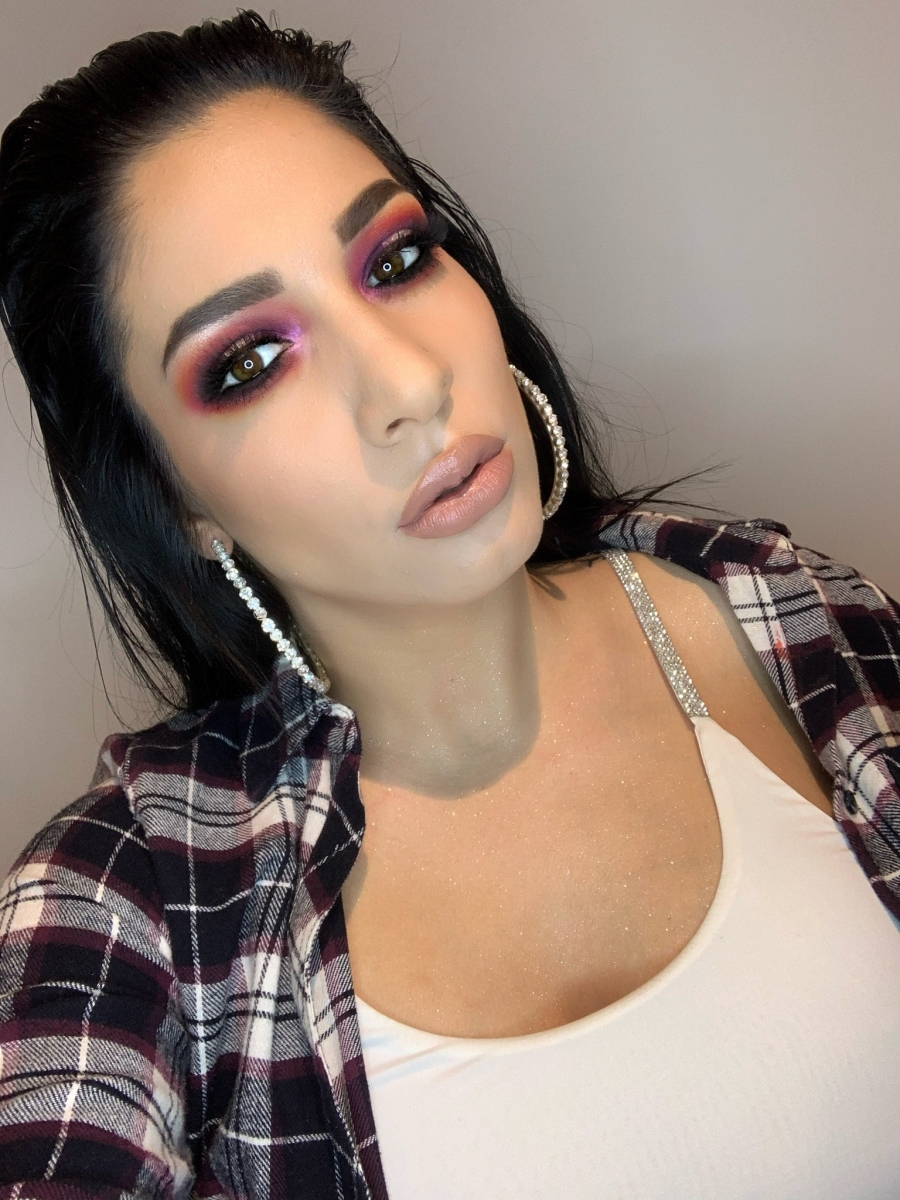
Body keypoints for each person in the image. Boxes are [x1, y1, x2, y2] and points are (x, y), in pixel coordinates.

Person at [0, 11, 898, 1199]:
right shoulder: (132, 900)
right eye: (250, 363)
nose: (410, 383)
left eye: (396, 261)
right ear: (175, 502)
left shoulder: (793, 614)